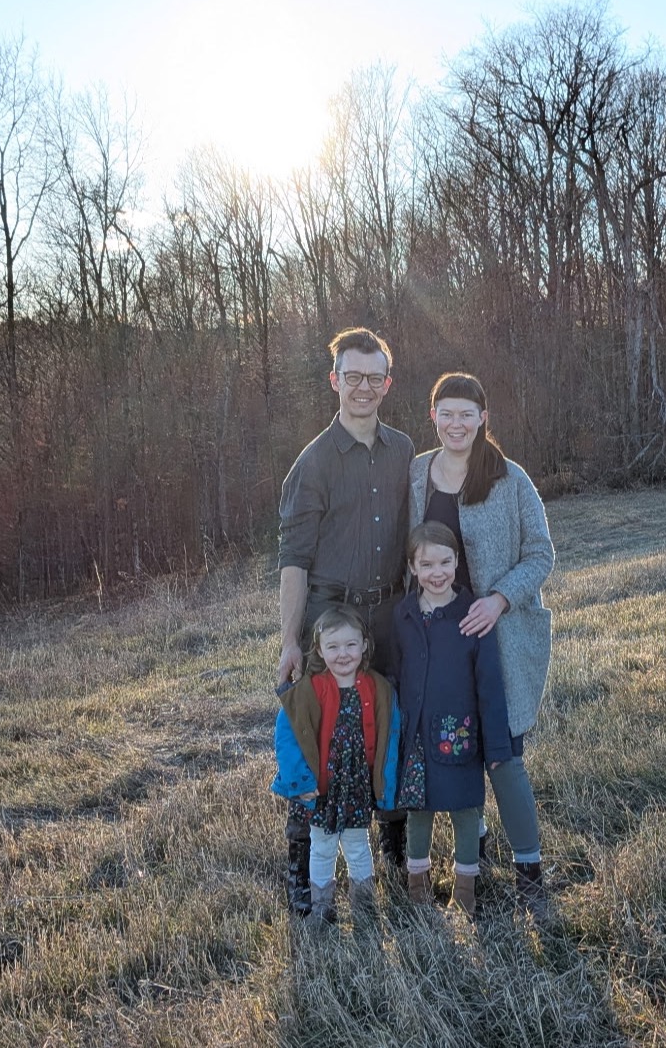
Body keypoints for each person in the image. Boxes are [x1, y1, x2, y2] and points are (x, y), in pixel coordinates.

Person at [276, 327, 414, 916]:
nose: (363, 387)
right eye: (352, 376)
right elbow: (293, 560)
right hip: (330, 619)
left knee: (388, 728)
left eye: (373, 377)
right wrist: (290, 639)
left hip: (389, 613)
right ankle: (304, 869)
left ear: (388, 383)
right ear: (334, 380)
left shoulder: (404, 450)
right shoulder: (312, 464)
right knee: (321, 738)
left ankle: (394, 847)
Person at [408, 372, 556, 898]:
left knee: (502, 752)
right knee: (447, 743)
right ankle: (477, 847)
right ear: (433, 417)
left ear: (483, 418)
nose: (456, 424)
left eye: (466, 414)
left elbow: (541, 554)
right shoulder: (417, 473)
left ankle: (530, 873)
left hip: (498, 635)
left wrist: (498, 599)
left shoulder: (511, 479)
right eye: (446, 413)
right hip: (437, 637)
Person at [393, 520, 512, 916]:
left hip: (459, 731)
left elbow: (490, 685)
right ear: (412, 567)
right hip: (415, 734)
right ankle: (417, 886)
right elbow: (396, 674)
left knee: (465, 809)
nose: (437, 573)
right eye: (426, 564)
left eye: (445, 562)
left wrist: (496, 746)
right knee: (418, 809)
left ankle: (465, 891)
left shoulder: (473, 613)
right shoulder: (403, 614)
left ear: (457, 561)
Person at [272, 605, 400, 925]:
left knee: (358, 846)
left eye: (350, 644)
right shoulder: (310, 690)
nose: (343, 654)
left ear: (364, 645)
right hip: (322, 789)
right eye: (333, 646)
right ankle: (322, 908)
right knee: (321, 847)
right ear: (319, 649)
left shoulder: (377, 688)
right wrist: (299, 782)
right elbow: (287, 736)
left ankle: (365, 909)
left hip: (356, 788)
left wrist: (385, 783)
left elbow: (391, 735)